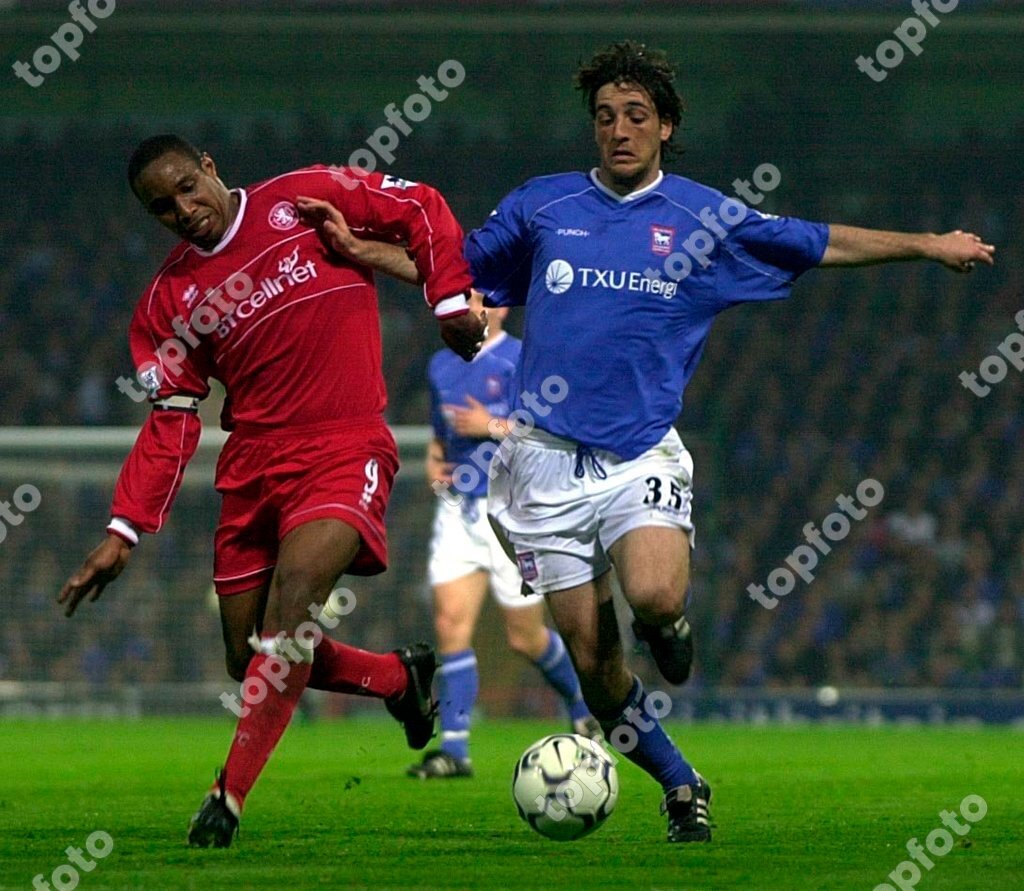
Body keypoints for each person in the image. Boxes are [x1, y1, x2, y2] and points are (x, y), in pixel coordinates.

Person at [287, 41, 994, 843]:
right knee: (595, 666)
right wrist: (359, 252)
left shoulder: (703, 217)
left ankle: (669, 623)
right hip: (540, 466)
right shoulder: (543, 207)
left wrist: (930, 244)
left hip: (638, 455)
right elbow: (453, 273)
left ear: (665, 127)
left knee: (656, 594)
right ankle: (683, 781)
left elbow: (817, 241)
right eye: (604, 117)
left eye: (634, 116)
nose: (617, 130)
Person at [57, 135, 486, 848]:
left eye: (188, 188)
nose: (183, 210)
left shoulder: (303, 196)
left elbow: (420, 206)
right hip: (254, 467)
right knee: (248, 654)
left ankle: (227, 795)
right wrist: (124, 528)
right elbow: (171, 420)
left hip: (343, 446)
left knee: (289, 616)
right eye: (162, 208)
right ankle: (394, 677)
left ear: (210, 168)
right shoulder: (170, 300)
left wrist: (447, 302)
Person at [409, 294, 601, 779]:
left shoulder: (522, 359)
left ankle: (582, 705)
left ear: (501, 310)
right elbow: (438, 436)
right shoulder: (440, 365)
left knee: (525, 637)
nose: (472, 309)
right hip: (457, 510)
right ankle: (455, 749)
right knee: (451, 624)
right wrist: (435, 461)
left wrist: (488, 425)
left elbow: (551, 429)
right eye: (463, 301)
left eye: (480, 301)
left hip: (510, 508)